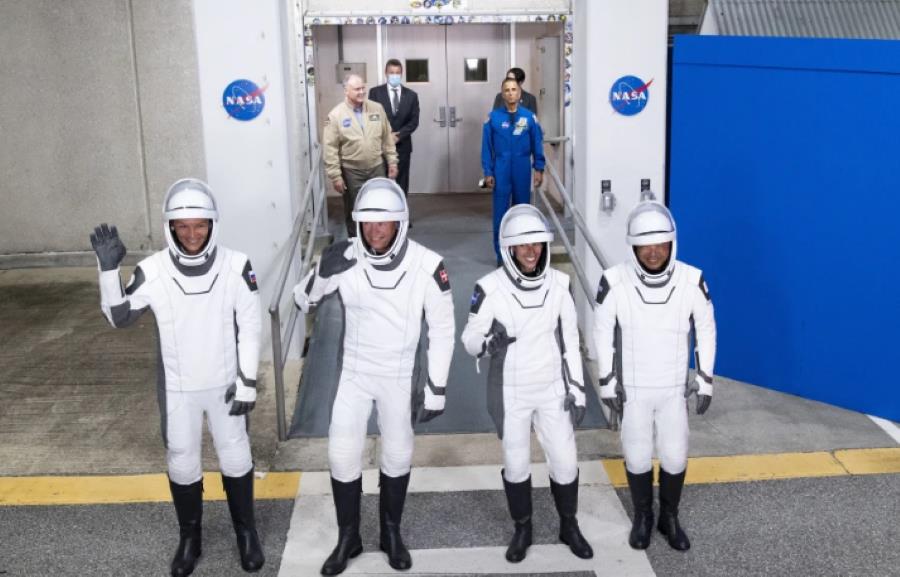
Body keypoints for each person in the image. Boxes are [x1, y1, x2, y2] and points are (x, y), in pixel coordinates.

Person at [89, 178, 265, 576]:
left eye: (199, 224)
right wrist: (108, 270)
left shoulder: (237, 264)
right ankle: (190, 538)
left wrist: (248, 380)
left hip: (226, 386)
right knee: (182, 461)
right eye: (182, 226)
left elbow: (251, 326)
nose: (191, 234)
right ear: (170, 227)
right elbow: (118, 317)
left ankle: (246, 533)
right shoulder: (152, 270)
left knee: (236, 455)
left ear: (212, 224)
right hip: (178, 389)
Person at [293, 178, 454, 575]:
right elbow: (302, 300)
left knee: (398, 452)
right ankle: (348, 536)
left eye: (384, 223)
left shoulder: (428, 264)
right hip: (355, 373)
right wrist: (320, 274)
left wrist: (436, 387)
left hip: (398, 375)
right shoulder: (344, 256)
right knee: (341, 453)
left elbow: (443, 327)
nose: (375, 231)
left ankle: (390, 533)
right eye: (367, 222)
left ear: (400, 222)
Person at [461, 204, 593, 563]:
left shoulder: (559, 284)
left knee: (565, 462)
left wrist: (578, 390)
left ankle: (569, 525)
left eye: (536, 243)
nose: (531, 251)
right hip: (512, 392)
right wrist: (487, 344)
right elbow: (469, 337)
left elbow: (570, 340)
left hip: (552, 389)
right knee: (516, 464)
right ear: (510, 249)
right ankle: (523, 528)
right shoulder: (489, 288)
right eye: (523, 245)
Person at [592, 200, 716, 552]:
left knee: (676, 455)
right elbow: (602, 332)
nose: (654, 252)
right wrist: (607, 380)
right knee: (636, 455)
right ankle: (643, 517)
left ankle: (669, 517)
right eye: (646, 244)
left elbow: (706, 329)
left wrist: (705, 378)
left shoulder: (692, 279)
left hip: (673, 390)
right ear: (633, 246)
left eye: (661, 243)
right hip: (633, 390)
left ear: (672, 243)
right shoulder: (614, 281)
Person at [324, 74, 399, 237]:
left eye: (363, 88)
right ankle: (356, 245)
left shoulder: (376, 108)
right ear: (346, 91)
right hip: (352, 172)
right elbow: (330, 149)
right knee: (355, 210)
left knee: (379, 207)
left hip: (376, 168)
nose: (362, 92)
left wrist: (392, 162)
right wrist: (335, 176)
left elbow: (387, 137)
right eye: (357, 89)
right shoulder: (336, 115)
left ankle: (379, 243)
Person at [482, 78, 545, 265]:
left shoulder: (529, 118)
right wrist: (488, 171)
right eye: (507, 90)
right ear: (502, 93)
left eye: (514, 89)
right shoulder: (492, 118)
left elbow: (537, 144)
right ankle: (501, 254)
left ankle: (520, 253)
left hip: (522, 168)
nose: (510, 93)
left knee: (521, 213)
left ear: (519, 93)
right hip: (500, 168)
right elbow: (486, 148)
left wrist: (539, 168)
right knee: (500, 214)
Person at [368, 59, 420, 199]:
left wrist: (399, 135)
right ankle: (384, 218)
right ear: (386, 73)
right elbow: (371, 118)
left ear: (401, 74)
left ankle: (402, 218)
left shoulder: (411, 96)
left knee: (401, 183)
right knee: (381, 183)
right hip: (380, 147)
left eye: (397, 73)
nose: (395, 75)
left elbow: (414, 121)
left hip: (402, 146)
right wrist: (386, 136)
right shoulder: (375, 93)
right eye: (392, 72)